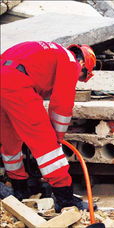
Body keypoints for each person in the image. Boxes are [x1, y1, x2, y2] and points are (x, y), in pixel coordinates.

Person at [0, 41, 96, 212]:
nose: (78, 79)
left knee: (9, 140)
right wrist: (57, 137)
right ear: (82, 64)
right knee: (48, 148)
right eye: (81, 77)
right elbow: (62, 104)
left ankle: (19, 189)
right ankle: (65, 200)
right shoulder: (70, 61)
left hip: (5, 78)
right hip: (17, 83)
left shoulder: (50, 51)